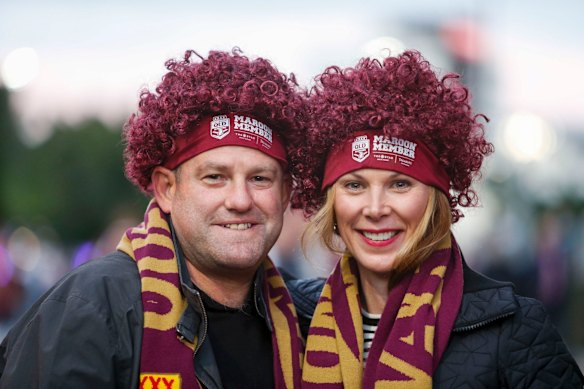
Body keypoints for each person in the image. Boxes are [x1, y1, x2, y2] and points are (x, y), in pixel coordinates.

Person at [0, 48, 307, 389]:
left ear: (284, 194)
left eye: (260, 178)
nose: (239, 200)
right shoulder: (88, 311)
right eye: (214, 177)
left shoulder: (313, 320)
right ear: (166, 189)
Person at [288, 50, 584, 387]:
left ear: (435, 198)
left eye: (399, 184)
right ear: (330, 200)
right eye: (354, 185)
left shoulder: (515, 329)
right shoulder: (292, 316)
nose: (374, 208)